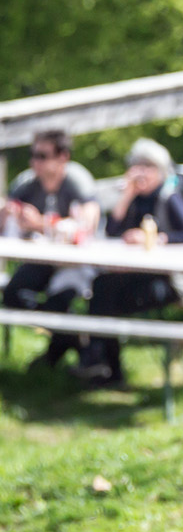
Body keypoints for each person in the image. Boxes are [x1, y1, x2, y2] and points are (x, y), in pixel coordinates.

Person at [76, 139, 183, 386]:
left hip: (170, 279)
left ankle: (101, 363)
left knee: (105, 299)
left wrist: (156, 238)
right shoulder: (134, 198)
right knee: (102, 289)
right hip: (138, 273)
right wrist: (126, 195)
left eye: (147, 166)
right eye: (137, 166)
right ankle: (103, 364)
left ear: (160, 170)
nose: (141, 172)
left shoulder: (169, 197)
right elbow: (112, 231)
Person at [2, 129, 102, 371]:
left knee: (59, 302)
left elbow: (88, 225)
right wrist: (9, 215)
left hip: (77, 263)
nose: (34, 161)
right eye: (33, 155)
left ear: (62, 157)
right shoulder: (27, 182)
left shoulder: (77, 180)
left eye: (42, 155)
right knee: (14, 294)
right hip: (43, 259)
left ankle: (52, 360)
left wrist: (41, 223)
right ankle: (76, 341)